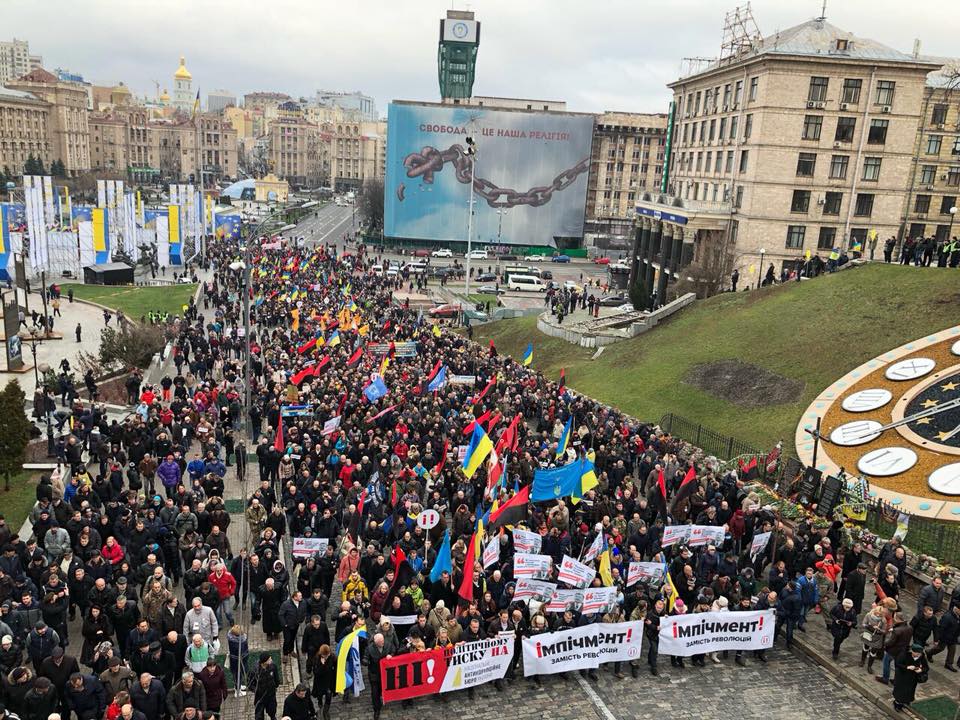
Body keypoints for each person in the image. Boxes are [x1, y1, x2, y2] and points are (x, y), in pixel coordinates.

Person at [893, 643, 929, 712]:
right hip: (902, 676)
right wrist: (907, 667)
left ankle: (906, 702)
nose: (918, 655)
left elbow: (926, 667)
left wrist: (921, 670)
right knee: (900, 692)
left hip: (913, 678)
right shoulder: (904, 655)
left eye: (919, 654)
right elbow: (898, 664)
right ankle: (897, 704)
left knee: (909, 691)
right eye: (917, 653)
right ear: (912, 651)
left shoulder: (921, 656)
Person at [249, 652, 279, 720]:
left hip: (271, 695)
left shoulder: (273, 666)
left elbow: (276, 678)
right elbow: (250, 685)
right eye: (269, 659)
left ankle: (272, 717)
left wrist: (275, 686)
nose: (271, 660)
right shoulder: (255, 671)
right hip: (260, 697)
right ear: (264, 662)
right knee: (259, 716)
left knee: (272, 710)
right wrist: (257, 690)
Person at [310, 645, 335, 720]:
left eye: (328, 655)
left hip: (329, 681)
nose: (326, 657)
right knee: (320, 694)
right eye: (325, 655)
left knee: (329, 696)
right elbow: (316, 673)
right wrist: (322, 665)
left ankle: (325, 711)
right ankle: (320, 701)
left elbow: (335, 668)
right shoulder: (316, 659)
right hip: (320, 682)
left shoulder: (333, 657)